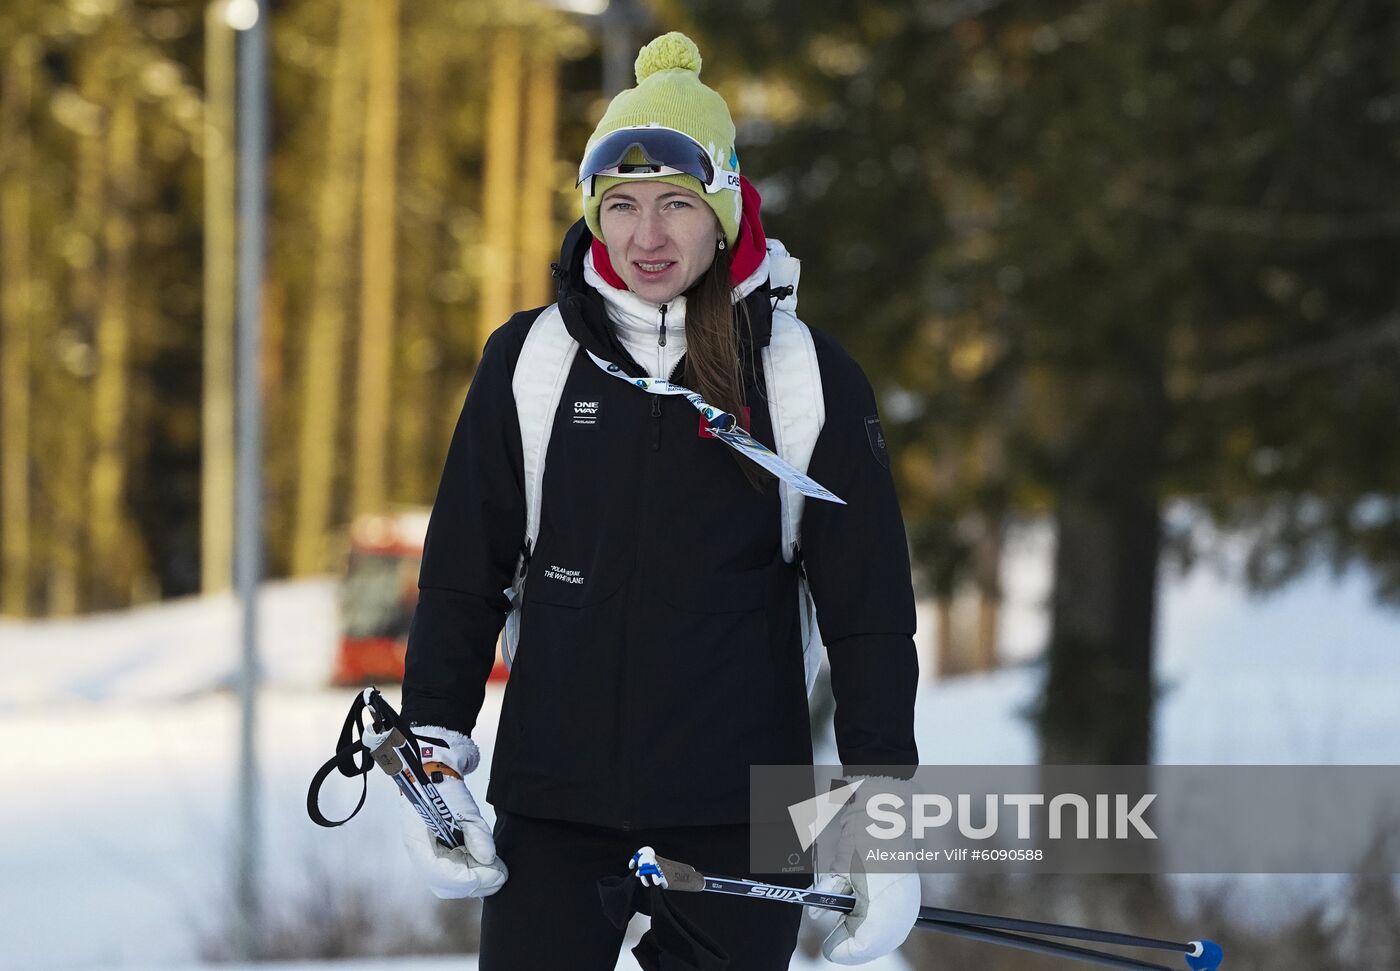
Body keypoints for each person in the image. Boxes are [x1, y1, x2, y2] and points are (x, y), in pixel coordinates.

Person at [399, 31, 921, 970]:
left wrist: (871, 827)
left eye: (677, 204)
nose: (648, 236)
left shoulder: (802, 376)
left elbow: (869, 619)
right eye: (624, 205)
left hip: (738, 821)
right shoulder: (532, 362)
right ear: (595, 214)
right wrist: (434, 759)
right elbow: (463, 576)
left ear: (723, 211)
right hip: (552, 810)